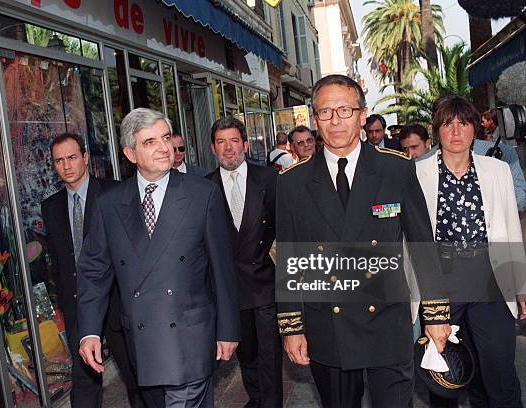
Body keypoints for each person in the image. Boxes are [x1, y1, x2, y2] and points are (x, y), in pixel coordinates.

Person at [276, 74, 450, 407]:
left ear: (361, 114)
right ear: (315, 120)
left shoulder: (395, 169)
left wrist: (437, 316)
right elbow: (289, 259)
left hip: (387, 321)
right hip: (327, 323)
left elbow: (421, 245)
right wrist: (292, 327)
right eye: (325, 112)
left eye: (344, 110)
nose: (335, 120)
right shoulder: (293, 182)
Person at [77, 108, 240, 407]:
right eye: (150, 141)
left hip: (189, 336)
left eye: (165, 137)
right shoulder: (109, 204)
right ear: (130, 153)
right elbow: (93, 271)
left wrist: (228, 329)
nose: (164, 147)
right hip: (141, 342)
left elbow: (222, 269)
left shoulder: (202, 193)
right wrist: (89, 332)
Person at [415, 96, 526, 407]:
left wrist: (520, 286)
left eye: (463, 123)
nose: (456, 131)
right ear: (436, 130)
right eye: (448, 124)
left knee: (499, 369)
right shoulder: (416, 175)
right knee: (445, 376)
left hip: (489, 277)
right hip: (441, 281)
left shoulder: (497, 170)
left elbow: (509, 228)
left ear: (475, 128)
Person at [41, 133, 141, 408]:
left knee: (136, 376)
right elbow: (59, 262)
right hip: (79, 307)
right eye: (59, 161)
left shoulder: (115, 193)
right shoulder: (50, 207)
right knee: (84, 381)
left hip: (119, 302)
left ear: (85, 158)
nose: (66, 166)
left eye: (72, 157)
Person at [207, 117, 282, 408]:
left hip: (267, 284)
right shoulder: (205, 188)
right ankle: (257, 399)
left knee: (270, 353)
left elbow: (283, 229)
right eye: (221, 142)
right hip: (231, 290)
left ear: (245, 145)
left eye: (234, 141)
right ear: (213, 148)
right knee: (246, 353)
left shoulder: (270, 179)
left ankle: (271, 403)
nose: (228, 149)